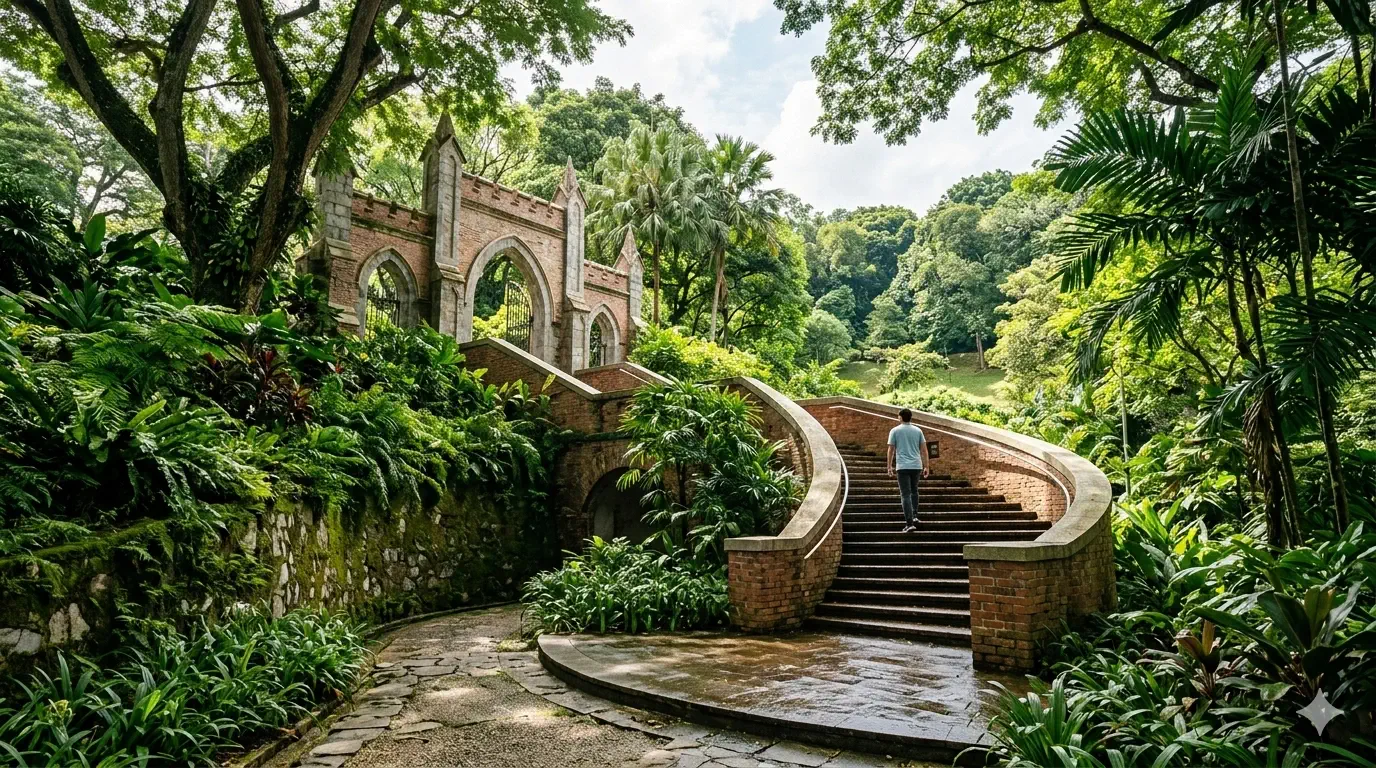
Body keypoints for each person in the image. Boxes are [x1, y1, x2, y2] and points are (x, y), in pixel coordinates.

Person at [886, 408, 929, 533]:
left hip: (903, 466)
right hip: (916, 465)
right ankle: (914, 515)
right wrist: (926, 466)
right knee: (914, 491)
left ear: (900, 417)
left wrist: (889, 466)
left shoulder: (895, 431)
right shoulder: (918, 430)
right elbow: (924, 450)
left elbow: (891, 450)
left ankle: (909, 523)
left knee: (905, 494)